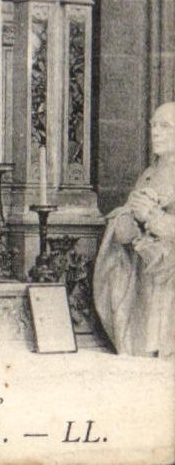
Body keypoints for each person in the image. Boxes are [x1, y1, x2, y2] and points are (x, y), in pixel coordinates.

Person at [93, 101, 175, 357]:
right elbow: (126, 230)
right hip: (146, 269)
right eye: (153, 126)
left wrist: (150, 216)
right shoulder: (150, 173)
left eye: (165, 126)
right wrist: (132, 217)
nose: (156, 132)